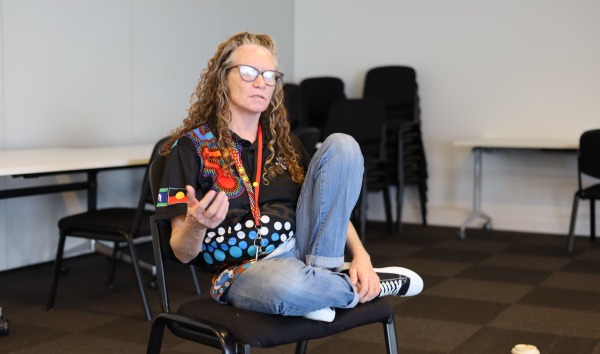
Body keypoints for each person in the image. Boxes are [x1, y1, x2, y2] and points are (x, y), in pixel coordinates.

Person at [155, 31, 423, 322]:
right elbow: (180, 252)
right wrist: (196, 224)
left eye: (270, 75)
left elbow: (330, 206)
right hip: (245, 271)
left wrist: (362, 256)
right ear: (222, 78)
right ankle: (359, 287)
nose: (261, 82)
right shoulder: (191, 148)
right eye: (248, 72)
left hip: (305, 251)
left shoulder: (284, 143)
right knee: (289, 286)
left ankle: (321, 282)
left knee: (343, 145)